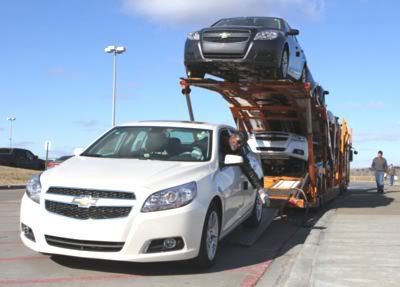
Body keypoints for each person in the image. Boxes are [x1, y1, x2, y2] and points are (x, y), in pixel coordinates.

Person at [223, 131, 270, 206]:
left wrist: (261, 192)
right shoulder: (220, 138)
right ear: (232, 136)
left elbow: (250, 172)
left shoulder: (239, 153)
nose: (238, 145)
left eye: (241, 144)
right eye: (238, 141)